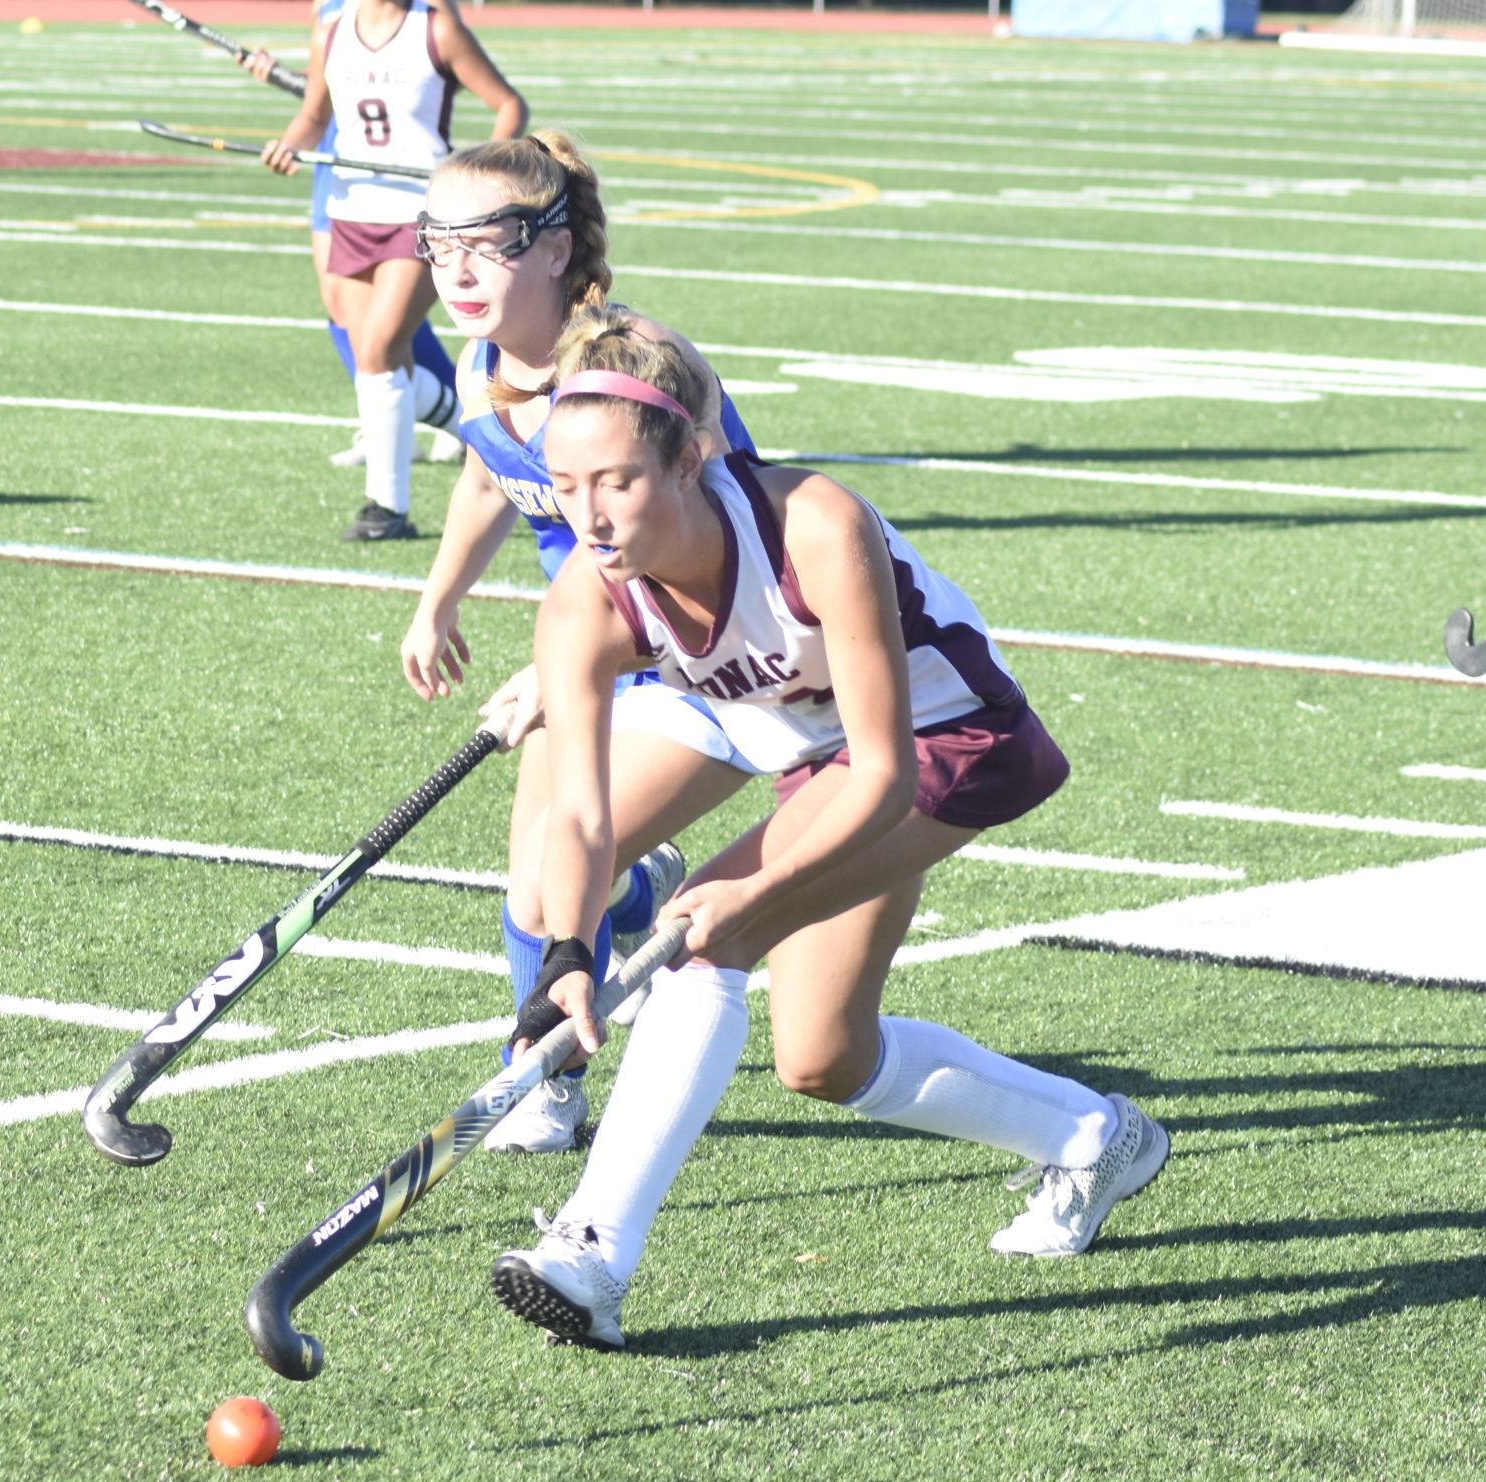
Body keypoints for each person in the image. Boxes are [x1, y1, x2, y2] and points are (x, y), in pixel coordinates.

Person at [480, 310, 1171, 1350]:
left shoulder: (812, 525)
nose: (591, 517)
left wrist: (748, 895)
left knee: (704, 934)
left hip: (955, 741)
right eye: (566, 487)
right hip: (819, 764)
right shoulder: (586, 599)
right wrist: (568, 957)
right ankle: (1094, 1136)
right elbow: (579, 811)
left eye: (616, 481)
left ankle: (594, 1251)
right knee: (824, 1059)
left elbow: (886, 770)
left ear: (690, 460)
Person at [400, 133, 763, 1154]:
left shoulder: (622, 368)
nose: (457, 271)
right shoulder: (481, 369)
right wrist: (440, 599)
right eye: (437, 245)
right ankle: (558, 1046)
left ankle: (547, 1071)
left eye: (490, 243)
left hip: (715, 640)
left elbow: (708, 532)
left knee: (561, 866)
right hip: (599, 633)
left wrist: (561, 658)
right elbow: (486, 472)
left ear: (555, 249)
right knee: (542, 881)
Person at [260, 0, 524, 542]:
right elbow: (315, 116)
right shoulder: (331, 32)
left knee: (380, 352)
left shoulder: (436, 29)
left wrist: (480, 170)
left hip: (418, 216)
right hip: (348, 211)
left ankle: (387, 508)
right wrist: (288, 147)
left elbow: (508, 105)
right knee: (378, 363)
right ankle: (476, 432)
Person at [241, 9, 463, 471]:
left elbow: (427, 70)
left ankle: (435, 420)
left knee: (384, 333)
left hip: (401, 178)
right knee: (343, 310)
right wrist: (280, 75)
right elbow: (322, 90)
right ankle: (397, 416)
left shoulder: (429, 21)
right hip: (340, 169)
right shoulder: (329, 19)